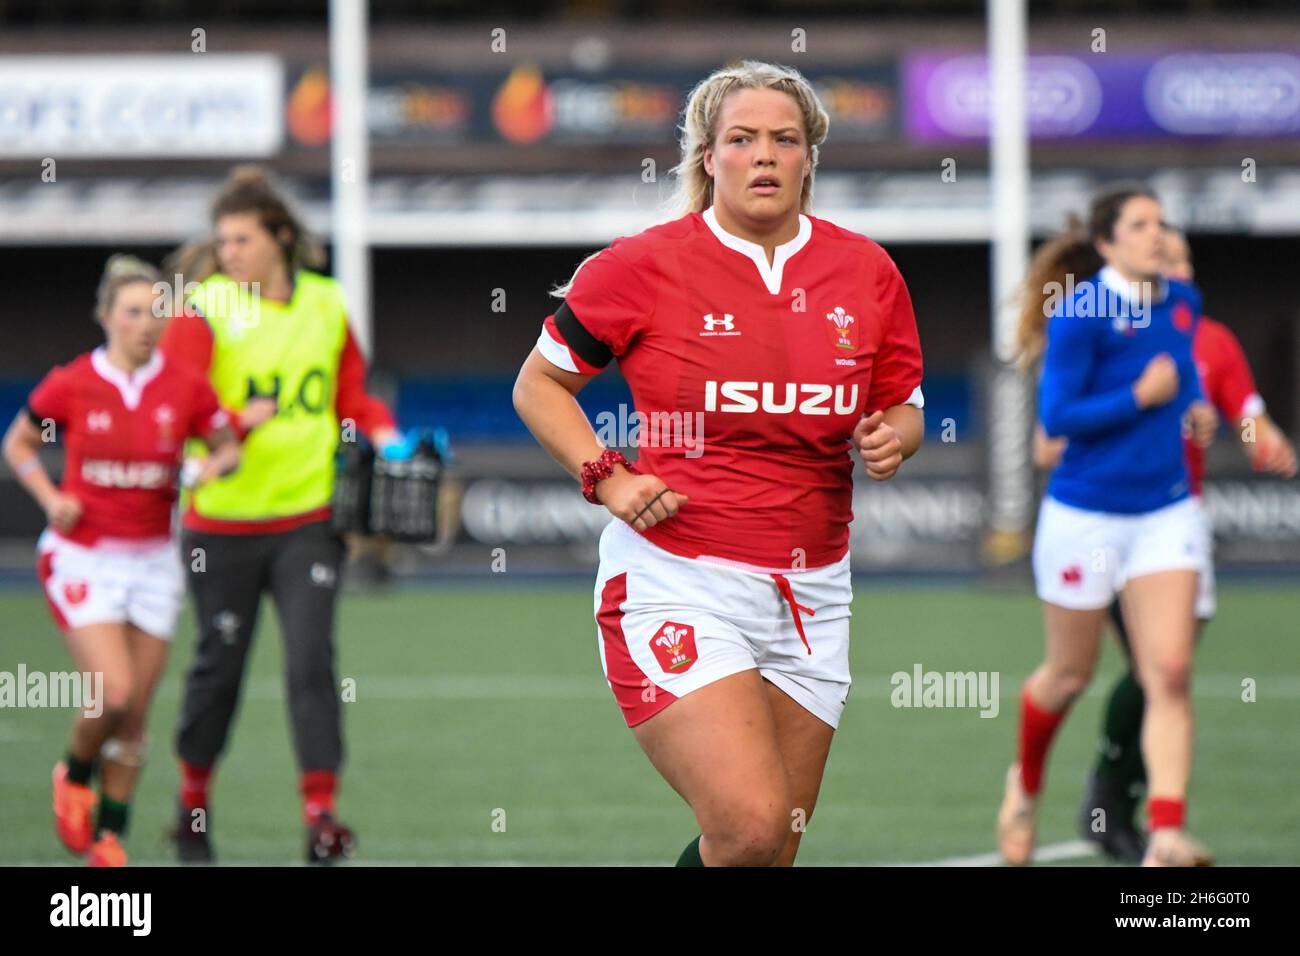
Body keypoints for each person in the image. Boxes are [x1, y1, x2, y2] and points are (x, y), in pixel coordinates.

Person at [513, 60, 925, 866]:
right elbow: (540, 387)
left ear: (810, 158)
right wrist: (609, 476)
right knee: (750, 825)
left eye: (785, 140)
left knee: (765, 854)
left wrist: (896, 437)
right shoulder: (641, 266)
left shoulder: (866, 272)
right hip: (679, 579)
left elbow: (902, 405)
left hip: (814, 592)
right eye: (742, 139)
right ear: (708, 157)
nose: (764, 156)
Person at [160, 166, 401, 863]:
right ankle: (192, 806)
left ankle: (321, 816)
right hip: (223, 525)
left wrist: (386, 436)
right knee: (219, 670)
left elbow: (351, 395)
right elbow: (176, 407)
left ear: (281, 239)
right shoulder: (204, 307)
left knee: (310, 664)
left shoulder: (325, 304)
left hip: (307, 519)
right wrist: (233, 423)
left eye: (242, 238)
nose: (228, 250)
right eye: (223, 239)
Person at [1057, 228, 1296, 862]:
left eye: (1178, 256)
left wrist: (1262, 438)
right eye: (1158, 252)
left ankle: (1120, 796)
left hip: (1175, 523)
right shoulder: (1104, 331)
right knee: (1152, 669)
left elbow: (1245, 408)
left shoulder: (1210, 338)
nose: (1170, 265)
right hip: (1108, 522)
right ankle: (1117, 801)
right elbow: (1052, 434)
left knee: (1167, 670)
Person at [999, 184, 1220, 867]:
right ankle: (1026, 787)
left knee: (1170, 672)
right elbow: (1059, 419)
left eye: (1162, 222)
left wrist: (1198, 408)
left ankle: (1165, 834)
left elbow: (1181, 381)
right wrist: (1137, 398)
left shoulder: (1183, 302)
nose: (1157, 234)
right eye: (1141, 223)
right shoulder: (1080, 313)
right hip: (1086, 515)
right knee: (1068, 674)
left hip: (1165, 511)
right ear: (1107, 242)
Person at [2, 255, 239, 867]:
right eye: (132, 312)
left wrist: (206, 468)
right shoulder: (74, 381)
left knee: (135, 717)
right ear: (106, 317)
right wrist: (51, 498)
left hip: (154, 562)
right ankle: (73, 771)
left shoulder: (184, 385)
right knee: (111, 694)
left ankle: (108, 837)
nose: (146, 324)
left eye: (157, 311)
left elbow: (226, 448)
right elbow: (19, 441)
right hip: (86, 560)